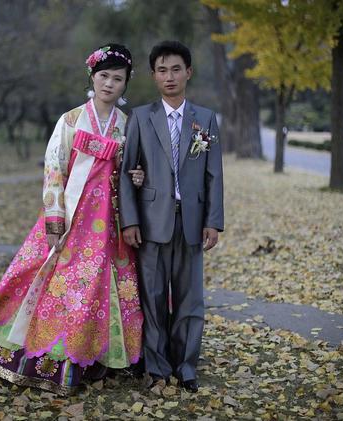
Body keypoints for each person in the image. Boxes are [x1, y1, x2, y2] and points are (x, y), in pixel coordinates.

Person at [0, 44, 145, 395]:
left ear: (126, 84)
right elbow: (54, 168)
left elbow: (130, 171)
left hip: (110, 222)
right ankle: (45, 357)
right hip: (73, 216)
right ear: (92, 78)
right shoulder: (70, 120)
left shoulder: (128, 125)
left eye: (117, 79)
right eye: (104, 76)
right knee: (62, 283)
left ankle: (95, 358)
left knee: (98, 289)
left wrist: (137, 178)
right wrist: (55, 216)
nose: (109, 84)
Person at [118, 41, 224, 393]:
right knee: (153, 297)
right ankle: (157, 366)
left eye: (176, 69)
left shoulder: (205, 120)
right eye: (162, 70)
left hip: (192, 222)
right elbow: (126, 171)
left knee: (190, 299)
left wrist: (213, 220)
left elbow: (213, 174)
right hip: (151, 223)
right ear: (153, 76)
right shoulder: (141, 117)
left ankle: (187, 365)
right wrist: (130, 220)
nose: (169, 76)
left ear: (188, 72)